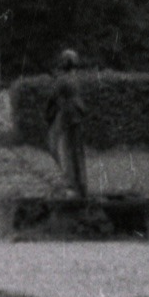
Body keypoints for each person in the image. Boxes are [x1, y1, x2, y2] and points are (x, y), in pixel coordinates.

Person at [45, 49, 87, 198]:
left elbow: (52, 97)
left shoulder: (62, 80)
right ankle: (80, 186)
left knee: (65, 151)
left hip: (67, 118)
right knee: (76, 153)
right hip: (76, 117)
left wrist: (48, 115)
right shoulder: (75, 78)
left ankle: (71, 186)